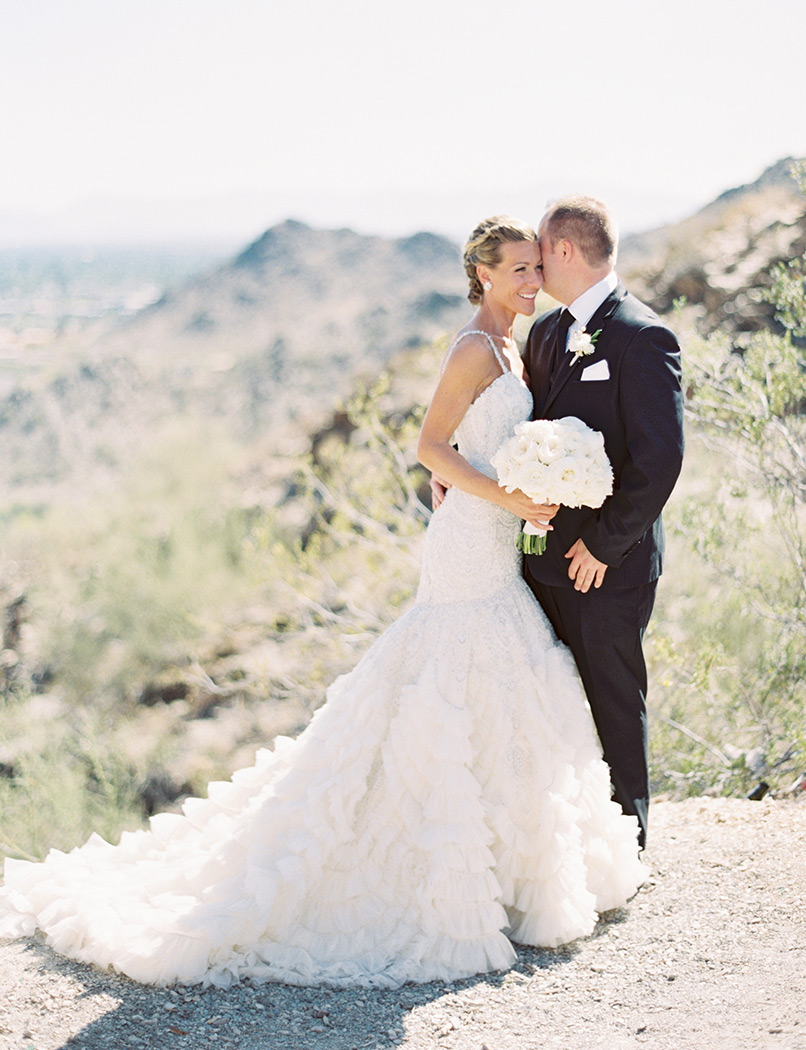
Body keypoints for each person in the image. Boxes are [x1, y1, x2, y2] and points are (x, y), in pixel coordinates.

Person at [0, 217, 645, 990]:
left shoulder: (517, 344)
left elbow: (479, 446)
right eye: (516, 270)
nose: (531, 282)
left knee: (508, 686)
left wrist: (536, 486)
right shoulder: (474, 348)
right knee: (448, 678)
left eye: (536, 269)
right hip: (468, 546)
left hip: (500, 544)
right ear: (481, 275)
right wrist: (512, 495)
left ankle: (517, 878)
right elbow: (430, 447)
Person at [521, 196, 685, 849]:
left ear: (564, 249)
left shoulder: (643, 337)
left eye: (540, 248)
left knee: (612, 698)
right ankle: (564, 842)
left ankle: (626, 845)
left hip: (607, 565)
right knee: (555, 701)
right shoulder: (543, 333)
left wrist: (601, 544)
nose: (533, 262)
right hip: (538, 560)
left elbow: (659, 460)